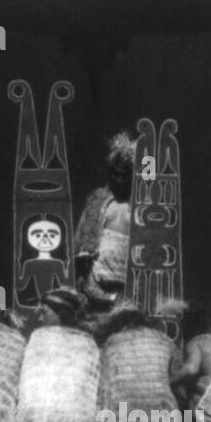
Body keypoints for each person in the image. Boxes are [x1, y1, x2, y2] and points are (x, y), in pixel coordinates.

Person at [75, 132, 135, 311]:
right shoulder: (97, 200)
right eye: (115, 174)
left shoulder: (144, 204)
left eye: (125, 175)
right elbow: (79, 241)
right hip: (96, 279)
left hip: (130, 281)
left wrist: (145, 157)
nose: (119, 180)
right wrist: (83, 254)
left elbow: (152, 180)